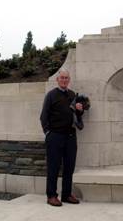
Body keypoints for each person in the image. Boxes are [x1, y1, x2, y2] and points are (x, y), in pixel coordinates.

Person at [40, 68, 83, 207]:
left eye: (66, 78)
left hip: (70, 136)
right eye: (62, 78)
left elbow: (77, 117)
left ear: (69, 80)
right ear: (57, 80)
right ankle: (51, 196)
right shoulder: (51, 95)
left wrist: (79, 110)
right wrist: (48, 133)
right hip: (55, 136)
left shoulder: (72, 95)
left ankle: (66, 195)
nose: (64, 80)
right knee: (53, 167)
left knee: (69, 167)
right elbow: (43, 116)